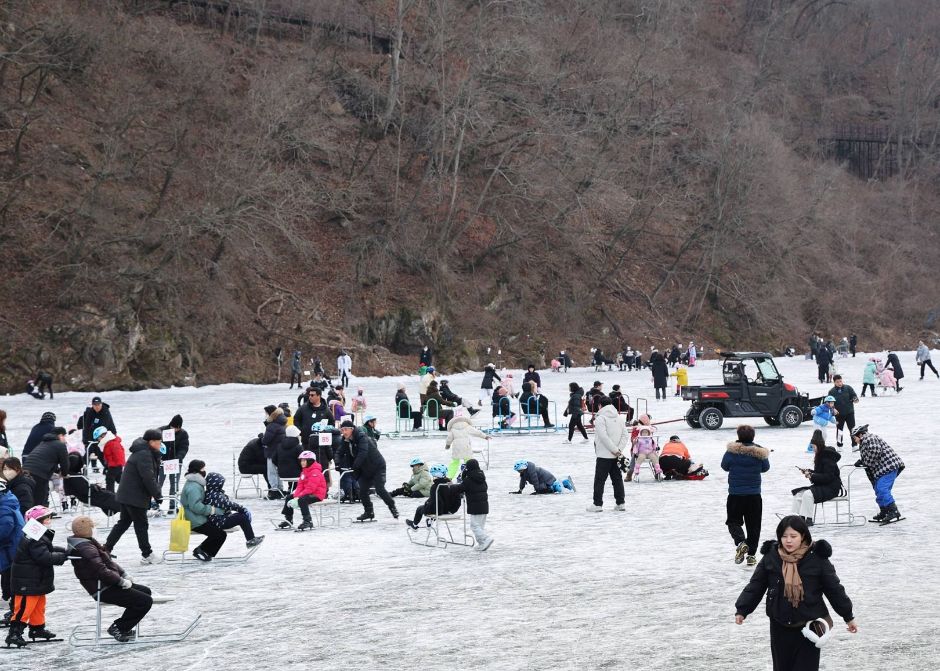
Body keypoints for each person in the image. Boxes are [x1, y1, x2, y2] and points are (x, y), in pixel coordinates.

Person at [735, 516, 857, 671]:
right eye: (784, 536)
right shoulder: (771, 557)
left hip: (809, 626)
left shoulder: (817, 558)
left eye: (793, 536)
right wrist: (742, 609)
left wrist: (848, 616)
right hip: (780, 624)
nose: (788, 541)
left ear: (803, 536)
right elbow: (756, 585)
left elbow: (834, 589)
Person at [66, 515, 155, 642]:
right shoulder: (86, 548)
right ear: (87, 530)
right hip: (103, 589)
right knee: (144, 601)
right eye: (93, 527)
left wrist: (123, 574)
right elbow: (101, 571)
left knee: (145, 591)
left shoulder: (87, 543)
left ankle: (124, 626)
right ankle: (119, 627)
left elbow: (108, 562)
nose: (95, 529)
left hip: (107, 584)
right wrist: (120, 581)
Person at [6, 505, 67, 647]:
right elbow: (44, 556)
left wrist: (65, 551)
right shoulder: (35, 536)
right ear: (38, 521)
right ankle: (14, 633)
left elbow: (47, 549)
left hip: (35, 579)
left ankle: (37, 629)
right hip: (27, 581)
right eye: (47, 518)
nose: (50, 520)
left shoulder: (37, 533)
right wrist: (62, 557)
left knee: (39, 604)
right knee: (24, 607)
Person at [104, 429, 164, 564]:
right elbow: (148, 478)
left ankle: (106, 549)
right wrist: (158, 495)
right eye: (159, 443)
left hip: (127, 495)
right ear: (151, 442)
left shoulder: (143, 451)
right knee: (141, 525)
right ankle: (147, 554)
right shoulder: (144, 454)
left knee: (124, 523)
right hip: (134, 496)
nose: (160, 445)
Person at [721, 424, 770, 566]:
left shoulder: (731, 452)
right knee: (754, 526)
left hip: (735, 494)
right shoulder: (759, 452)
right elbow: (765, 468)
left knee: (733, 521)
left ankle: (741, 542)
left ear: (738, 436)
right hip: (754, 495)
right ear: (753, 436)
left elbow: (724, 466)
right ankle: (751, 556)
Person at [343, 421, 398, 522]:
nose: (344, 432)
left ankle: (392, 507)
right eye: (342, 430)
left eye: (346, 429)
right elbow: (340, 452)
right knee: (363, 491)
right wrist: (338, 464)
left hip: (377, 466)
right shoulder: (346, 440)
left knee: (380, 489)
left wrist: (355, 466)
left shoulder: (361, 437)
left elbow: (362, 453)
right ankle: (369, 512)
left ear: (352, 429)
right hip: (365, 469)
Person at [851, 424, 904, 524]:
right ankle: (884, 510)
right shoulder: (865, 441)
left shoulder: (868, 439)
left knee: (882, 488)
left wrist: (864, 462)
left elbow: (875, 452)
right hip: (884, 468)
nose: (854, 440)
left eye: (855, 438)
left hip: (889, 467)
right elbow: (871, 455)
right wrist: (862, 461)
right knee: (878, 489)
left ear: (860, 435)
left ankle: (894, 511)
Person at [178, 460, 229, 561]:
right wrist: (212, 510)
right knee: (220, 534)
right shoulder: (194, 486)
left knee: (220, 534)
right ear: (197, 470)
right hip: (194, 521)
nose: (204, 471)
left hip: (197, 518)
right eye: (203, 469)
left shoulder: (196, 483)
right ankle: (200, 550)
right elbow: (196, 506)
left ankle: (205, 552)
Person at [790, 431, 841, 526]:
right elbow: (820, 474)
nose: (813, 449)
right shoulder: (820, 456)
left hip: (831, 487)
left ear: (819, 445)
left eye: (813, 447)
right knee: (798, 494)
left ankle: (807, 519)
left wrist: (812, 475)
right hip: (822, 486)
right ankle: (794, 518)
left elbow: (828, 477)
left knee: (808, 494)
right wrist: (810, 472)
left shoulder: (827, 458)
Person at [587, 398, 627, 512]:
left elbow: (603, 437)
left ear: (600, 406)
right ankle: (620, 503)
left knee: (599, 480)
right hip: (616, 455)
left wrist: (614, 449)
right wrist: (618, 450)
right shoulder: (619, 418)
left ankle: (597, 504)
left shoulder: (601, 418)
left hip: (604, 455)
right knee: (617, 479)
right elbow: (625, 435)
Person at [204, 473, 264, 547]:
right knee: (242, 518)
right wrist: (242, 509)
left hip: (216, 519)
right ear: (217, 484)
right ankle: (251, 539)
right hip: (219, 522)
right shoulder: (215, 495)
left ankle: (251, 538)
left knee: (240, 516)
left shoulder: (211, 493)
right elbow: (228, 504)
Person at [276, 451, 327, 531]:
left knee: (302, 500)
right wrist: (296, 496)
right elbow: (300, 486)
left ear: (310, 461)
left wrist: (299, 497)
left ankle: (308, 521)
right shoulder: (304, 471)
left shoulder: (315, 472)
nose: (302, 462)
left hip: (317, 494)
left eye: (304, 460)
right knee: (289, 497)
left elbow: (311, 488)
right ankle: (289, 519)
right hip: (307, 493)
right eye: (301, 460)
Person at [22, 426, 69, 507]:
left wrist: (58, 471)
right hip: (39, 473)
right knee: (40, 497)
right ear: (61, 435)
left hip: (25, 471)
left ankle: (41, 512)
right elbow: (65, 463)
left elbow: (47, 460)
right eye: (64, 436)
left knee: (32, 496)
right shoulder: (60, 445)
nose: (65, 439)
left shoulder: (43, 443)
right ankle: (39, 515)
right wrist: (64, 473)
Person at [405, 464, 460, 529]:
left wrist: (427, 505)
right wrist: (452, 510)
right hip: (449, 510)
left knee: (420, 508)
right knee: (432, 506)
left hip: (439, 511)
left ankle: (414, 525)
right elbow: (458, 500)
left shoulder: (435, 487)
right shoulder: (451, 485)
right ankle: (430, 522)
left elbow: (436, 502)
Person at [0, 480, 25, 626]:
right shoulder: (8, 501)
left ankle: (15, 612)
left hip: (10, 550)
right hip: (11, 549)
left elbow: (5, 529)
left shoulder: (3, 507)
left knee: (11, 581)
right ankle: (14, 610)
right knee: (11, 580)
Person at [455, 458, 492, 550]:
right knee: (480, 526)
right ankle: (482, 544)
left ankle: (485, 538)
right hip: (484, 506)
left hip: (475, 506)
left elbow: (460, 488)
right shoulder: (482, 478)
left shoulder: (469, 479)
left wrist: (450, 486)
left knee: (474, 526)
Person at [158, 415, 189, 513]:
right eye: (173, 427)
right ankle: (155, 503)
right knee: (158, 483)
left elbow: (184, 448)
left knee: (174, 484)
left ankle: (173, 505)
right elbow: (156, 445)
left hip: (175, 463)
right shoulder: (161, 431)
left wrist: (178, 458)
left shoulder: (183, 434)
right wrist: (159, 457)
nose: (174, 429)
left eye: (177, 428)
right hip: (162, 462)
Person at [80, 397, 118, 471]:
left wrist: (98, 439)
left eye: (98, 405)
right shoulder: (91, 412)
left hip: (107, 435)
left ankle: (110, 469)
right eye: (95, 405)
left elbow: (103, 428)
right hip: (95, 435)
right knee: (89, 451)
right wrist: (85, 439)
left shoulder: (105, 411)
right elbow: (87, 426)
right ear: (92, 405)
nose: (97, 407)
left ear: (101, 404)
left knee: (102, 453)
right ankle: (82, 470)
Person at [262, 405, 287, 498]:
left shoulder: (272, 425)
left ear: (270, 414)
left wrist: (262, 438)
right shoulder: (281, 422)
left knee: (271, 472)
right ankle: (280, 489)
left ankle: (274, 490)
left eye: (266, 413)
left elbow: (266, 440)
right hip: (279, 450)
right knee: (277, 471)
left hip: (272, 451)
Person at [826, 375, 858, 448]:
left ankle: (854, 445)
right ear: (834, 382)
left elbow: (854, 396)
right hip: (839, 414)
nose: (840, 383)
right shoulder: (832, 391)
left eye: (840, 381)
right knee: (840, 430)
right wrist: (833, 409)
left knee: (852, 429)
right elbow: (829, 403)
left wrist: (855, 399)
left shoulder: (848, 388)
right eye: (837, 382)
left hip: (850, 412)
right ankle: (839, 445)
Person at [92, 427, 126, 493]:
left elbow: (119, 455)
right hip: (112, 465)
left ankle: (110, 495)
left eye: (98, 438)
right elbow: (108, 457)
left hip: (116, 465)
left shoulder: (112, 443)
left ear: (103, 435)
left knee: (110, 478)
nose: (98, 440)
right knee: (120, 479)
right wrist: (107, 466)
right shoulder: (107, 443)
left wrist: (117, 465)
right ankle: (127, 491)